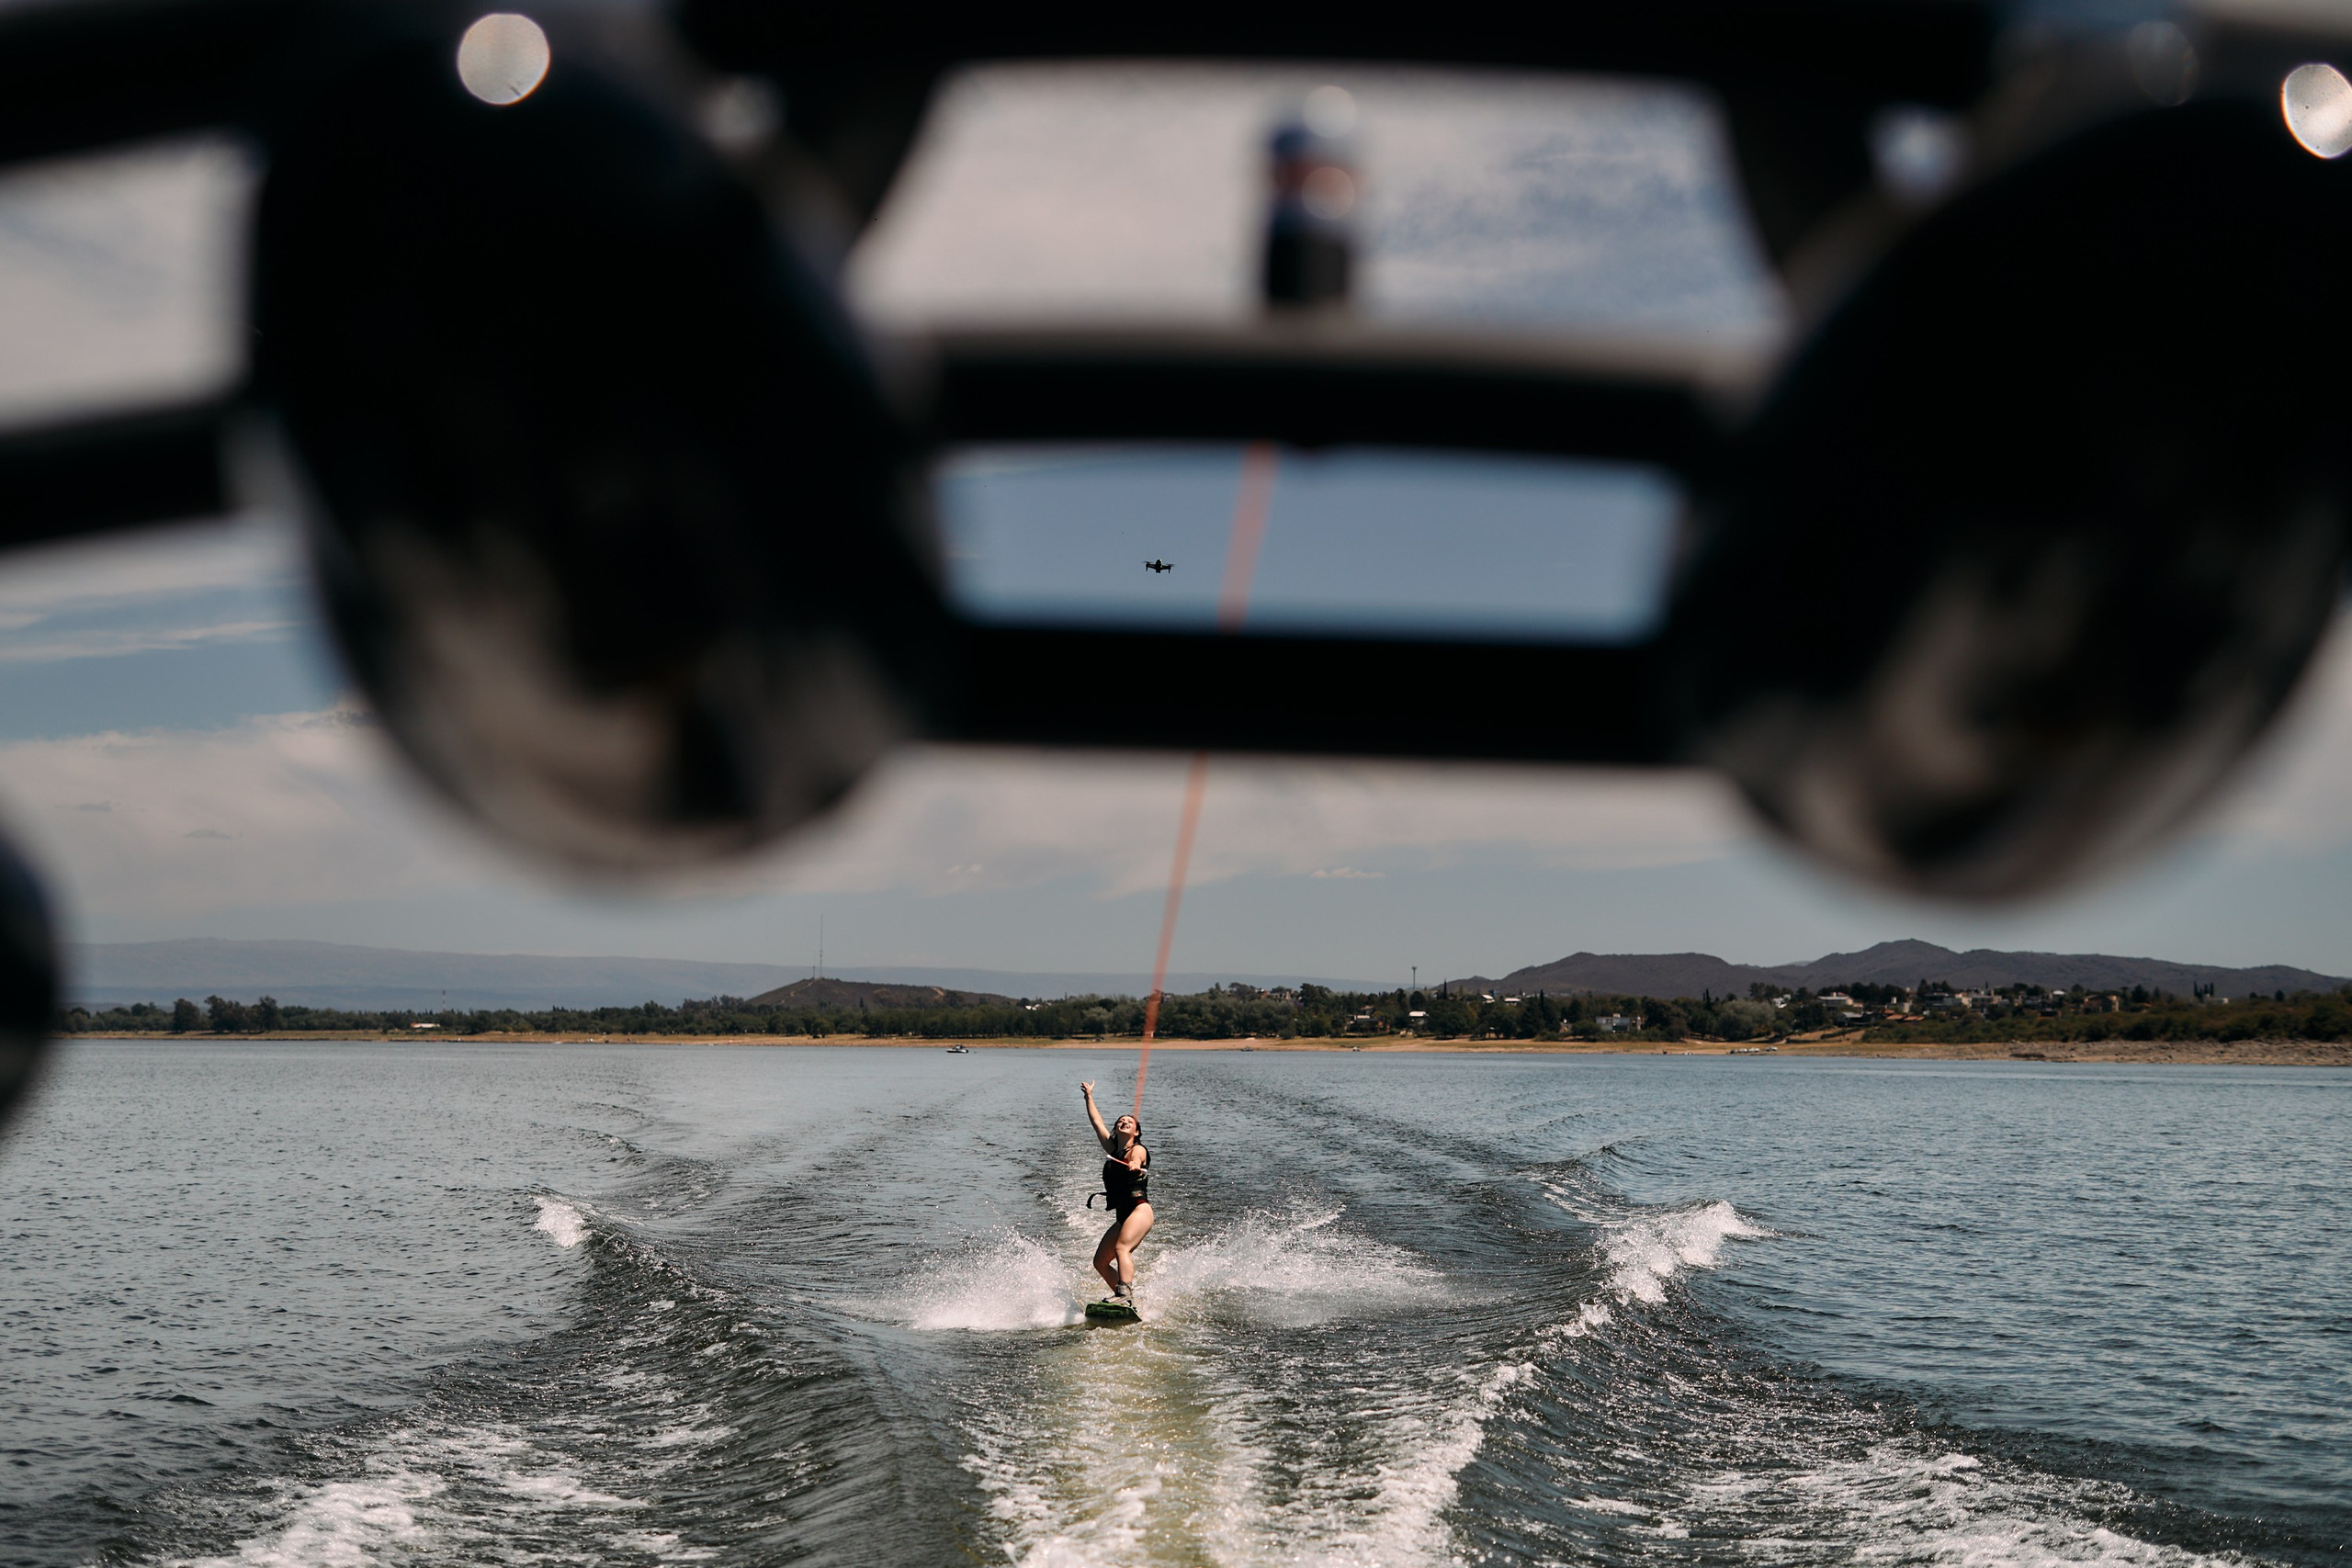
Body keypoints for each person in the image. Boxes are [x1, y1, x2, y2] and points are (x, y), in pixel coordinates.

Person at [1080, 1081, 1152, 1303]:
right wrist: (1089, 1096)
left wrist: (1134, 1164)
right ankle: (1124, 1299)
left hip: (1139, 1210)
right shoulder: (1112, 1149)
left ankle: (1124, 1292)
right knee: (1100, 1262)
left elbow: (1138, 1157)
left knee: (1122, 1248)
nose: (1124, 1122)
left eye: (1129, 1122)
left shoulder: (1137, 1149)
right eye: (1121, 1121)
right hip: (1122, 1214)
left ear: (1136, 1131)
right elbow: (1096, 1122)